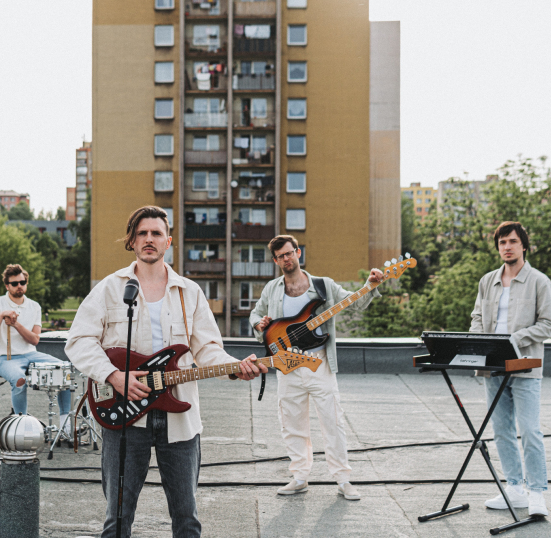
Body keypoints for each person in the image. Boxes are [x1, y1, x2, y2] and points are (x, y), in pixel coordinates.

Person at [66, 206, 266, 538]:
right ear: (132, 241)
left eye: (156, 233)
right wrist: (114, 376)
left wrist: (234, 368)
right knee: (117, 519)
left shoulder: (190, 292)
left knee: (187, 518)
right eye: (142, 233)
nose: (149, 239)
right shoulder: (110, 288)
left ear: (168, 241)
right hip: (125, 418)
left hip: (180, 421)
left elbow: (207, 350)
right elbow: (79, 340)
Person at [249, 235, 382, 500]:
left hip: (319, 362)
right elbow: (255, 314)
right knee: (291, 422)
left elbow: (354, 301)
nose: (286, 259)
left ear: (298, 253)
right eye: (280, 257)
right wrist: (258, 325)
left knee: (332, 421)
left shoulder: (323, 286)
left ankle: (343, 480)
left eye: (289, 253)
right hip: (287, 365)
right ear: (276, 261)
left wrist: (370, 284)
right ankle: (299, 477)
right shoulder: (272, 289)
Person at [470, 221, 551, 516]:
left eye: (512, 241)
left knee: (530, 430)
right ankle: (515, 488)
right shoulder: (487, 281)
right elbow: (477, 317)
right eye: (502, 243)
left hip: (526, 366)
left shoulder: (539, 281)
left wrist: (513, 340)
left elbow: (549, 324)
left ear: (523, 245)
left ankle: (537, 493)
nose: (506, 247)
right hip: (492, 366)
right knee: (501, 429)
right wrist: (478, 345)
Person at [0, 264, 71, 423]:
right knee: (19, 379)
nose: (19, 287)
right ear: (7, 286)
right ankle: (21, 425)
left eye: (22, 283)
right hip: (3, 357)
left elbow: (35, 339)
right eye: (14, 284)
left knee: (64, 369)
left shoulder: (34, 306)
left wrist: (16, 324)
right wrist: (2, 315)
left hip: (30, 354)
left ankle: (66, 425)